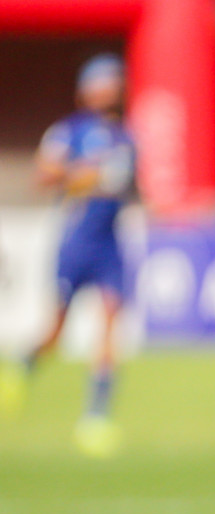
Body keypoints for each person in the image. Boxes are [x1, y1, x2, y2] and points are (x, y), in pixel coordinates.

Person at [0, 54, 136, 456]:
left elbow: (132, 187)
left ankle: (96, 417)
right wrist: (84, 174)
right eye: (104, 82)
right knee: (56, 331)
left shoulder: (127, 136)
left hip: (111, 243)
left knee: (111, 325)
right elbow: (43, 176)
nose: (111, 88)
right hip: (76, 240)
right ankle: (23, 367)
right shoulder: (68, 131)